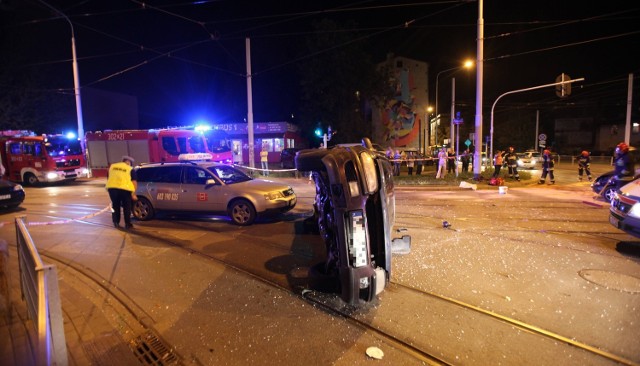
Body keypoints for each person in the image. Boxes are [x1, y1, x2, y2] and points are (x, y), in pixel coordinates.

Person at [106, 155, 138, 229]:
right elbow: (134, 182)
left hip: (112, 189)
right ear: (129, 162)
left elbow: (109, 178)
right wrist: (133, 194)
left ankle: (116, 222)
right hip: (125, 190)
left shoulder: (112, 167)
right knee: (127, 207)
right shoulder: (130, 169)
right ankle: (127, 224)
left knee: (115, 206)